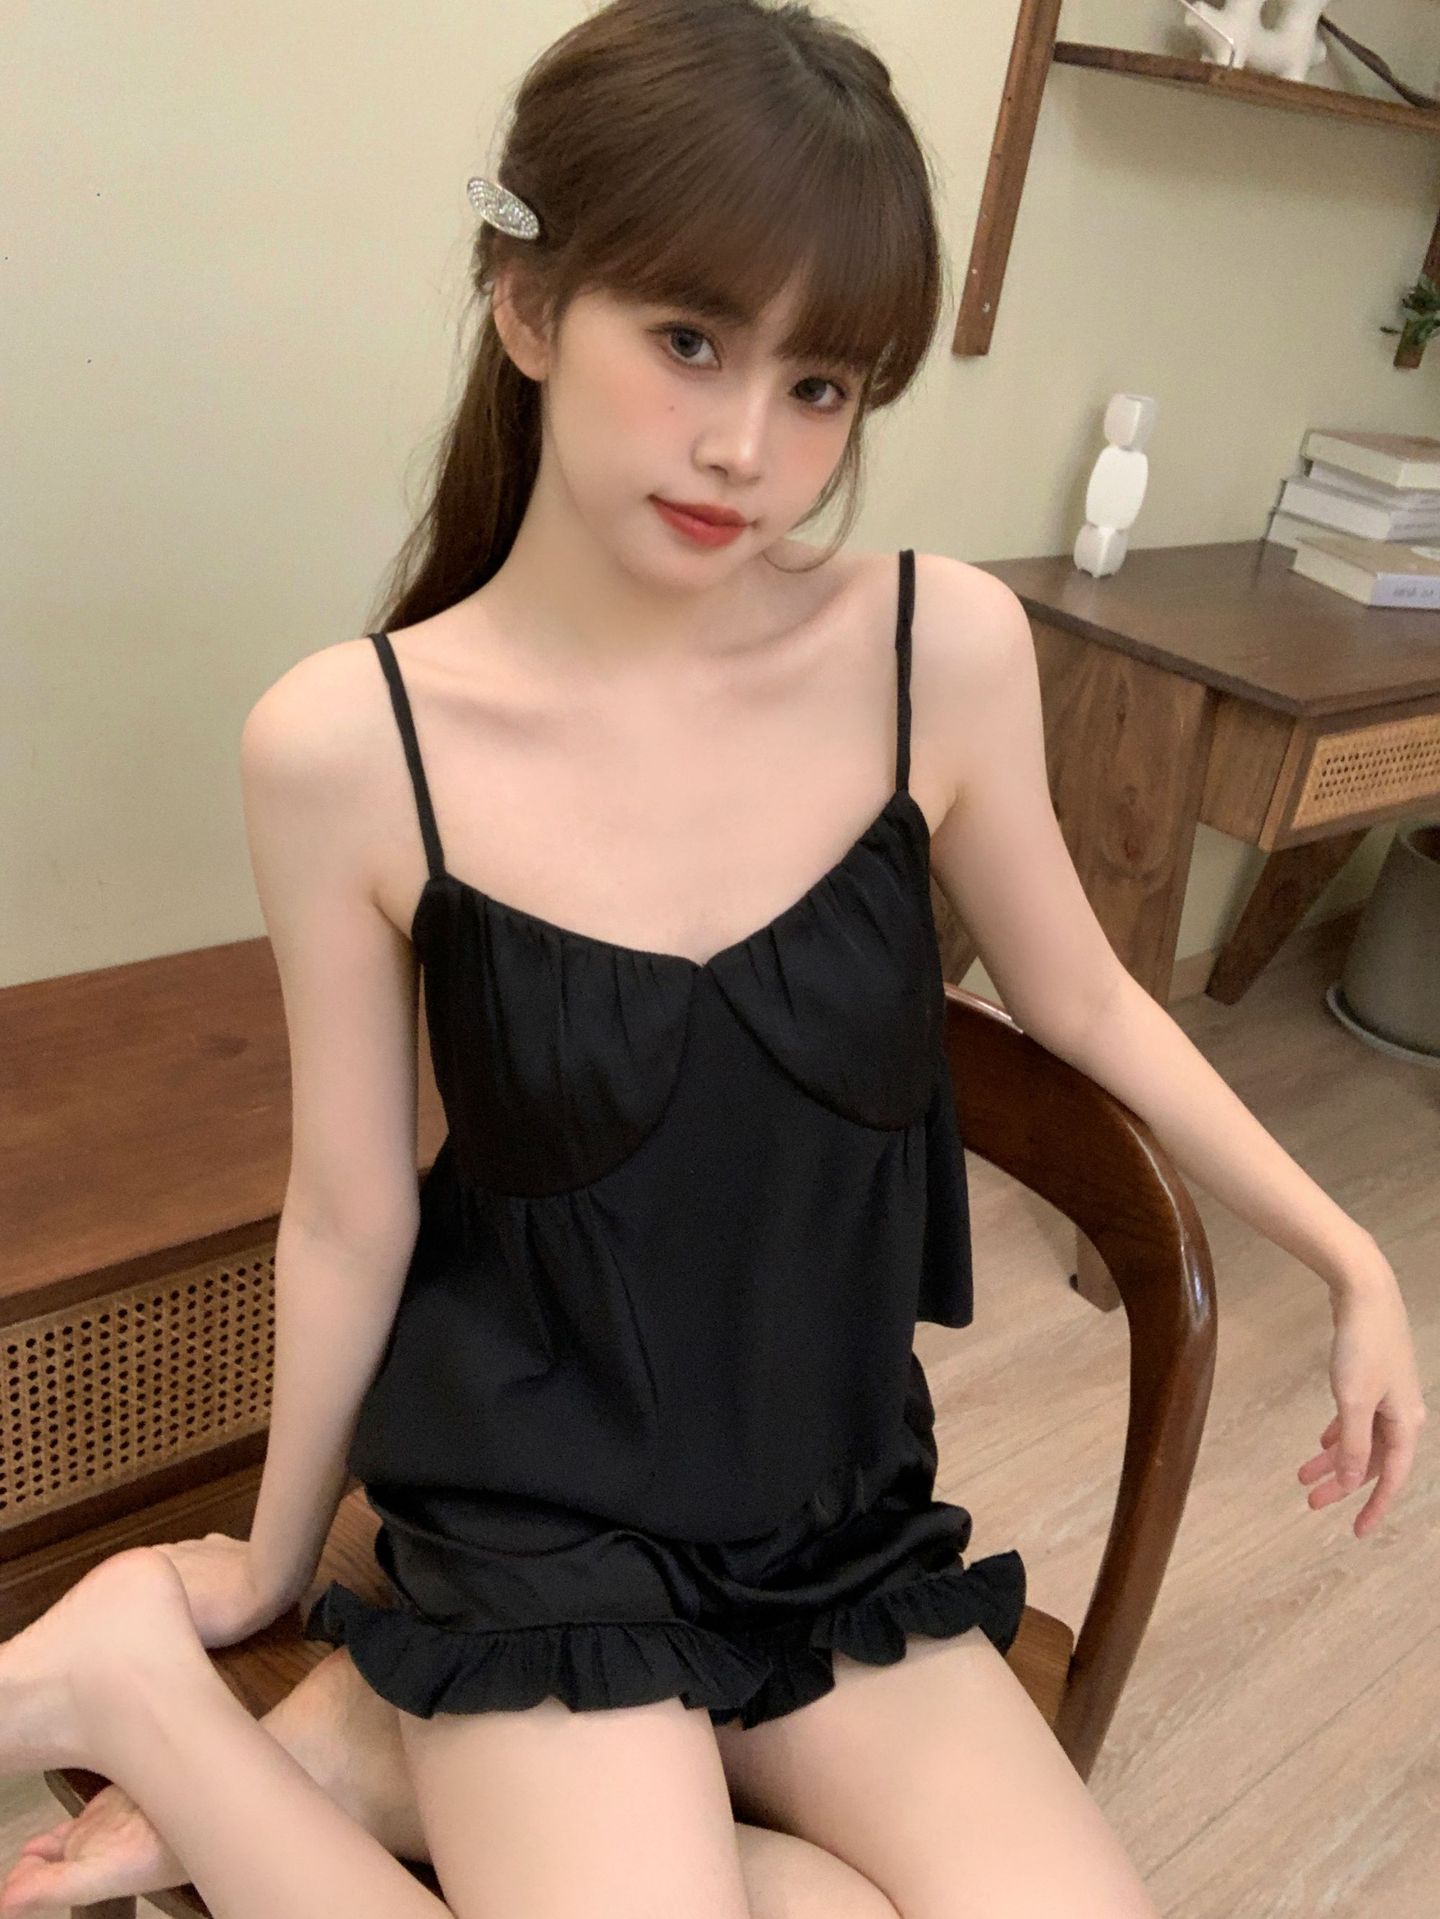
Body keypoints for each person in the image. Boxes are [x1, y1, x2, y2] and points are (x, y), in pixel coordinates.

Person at [2, 2, 1424, 1915]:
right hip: (537, 1522)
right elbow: (349, 1208)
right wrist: (267, 1561)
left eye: (819, 384)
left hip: (830, 1518)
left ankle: (375, 1751)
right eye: (687, 341)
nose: (748, 448)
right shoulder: (350, 748)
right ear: (527, 305)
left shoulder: (938, 650)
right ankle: (153, 1697)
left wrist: (1352, 1257)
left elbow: (1084, 999)